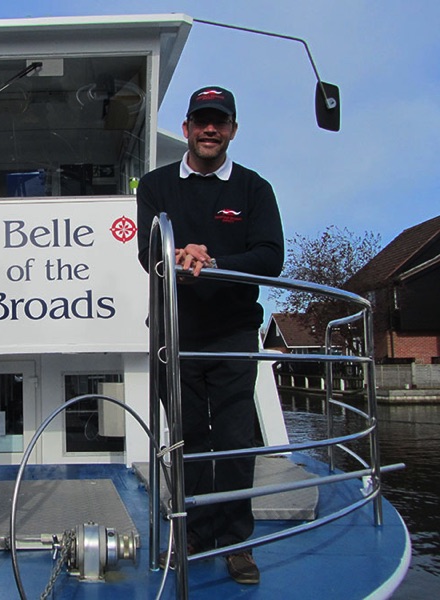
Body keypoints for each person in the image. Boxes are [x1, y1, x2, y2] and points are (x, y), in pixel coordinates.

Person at [136, 86, 284, 585]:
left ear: (232, 130)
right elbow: (147, 254)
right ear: (186, 128)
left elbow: (270, 257)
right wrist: (180, 255)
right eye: (201, 120)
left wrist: (213, 263)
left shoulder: (254, 189)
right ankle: (194, 531)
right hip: (174, 333)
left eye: (219, 121)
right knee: (188, 438)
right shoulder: (155, 186)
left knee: (236, 441)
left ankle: (236, 541)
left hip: (232, 333)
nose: (209, 129)